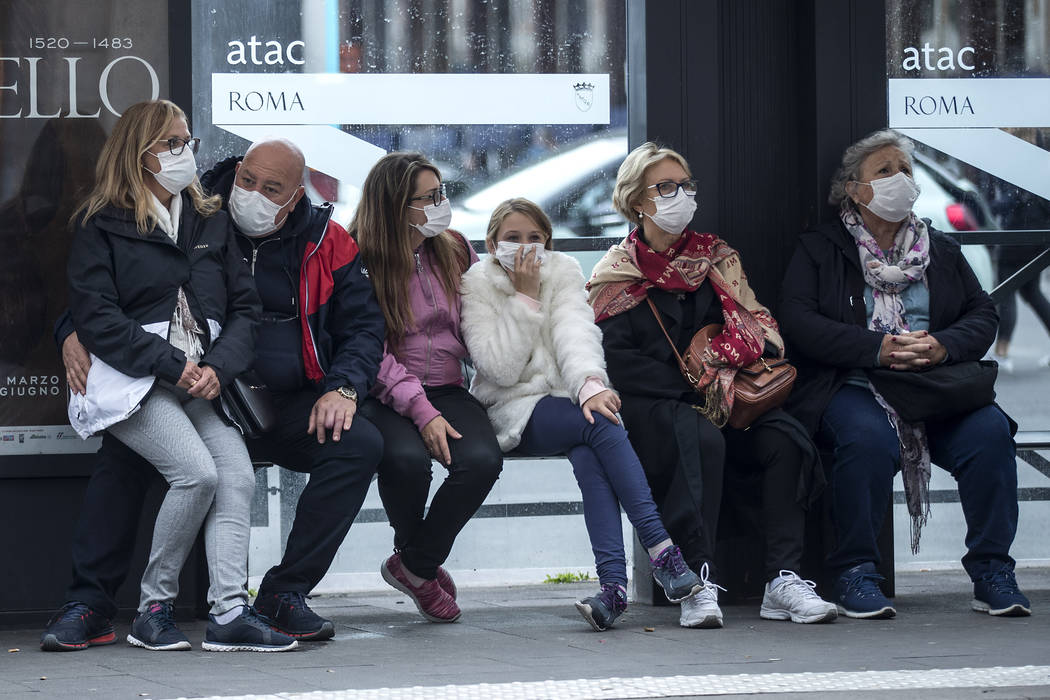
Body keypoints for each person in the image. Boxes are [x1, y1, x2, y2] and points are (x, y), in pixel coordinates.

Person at [42, 136, 386, 650]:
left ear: (296, 196)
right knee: (126, 454)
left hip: (283, 400)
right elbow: (125, 285)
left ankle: (283, 593)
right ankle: (91, 603)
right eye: (248, 179)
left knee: (358, 444)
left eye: (272, 189)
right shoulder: (199, 211)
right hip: (197, 389)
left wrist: (343, 387)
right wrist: (70, 328)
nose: (254, 193)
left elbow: (363, 326)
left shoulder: (325, 239)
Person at [60, 100, 295, 652]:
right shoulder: (101, 224)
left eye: (186, 140)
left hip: (199, 382)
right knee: (197, 474)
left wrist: (217, 367)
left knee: (235, 474)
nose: (185, 151)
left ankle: (230, 611)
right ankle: (154, 609)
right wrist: (173, 365)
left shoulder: (209, 217)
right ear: (139, 154)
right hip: (133, 381)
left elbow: (245, 310)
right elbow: (97, 317)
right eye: (172, 143)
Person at [778, 128, 1031, 619]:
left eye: (906, 170)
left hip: (937, 384)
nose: (901, 180)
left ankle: (992, 572)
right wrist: (879, 349)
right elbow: (800, 322)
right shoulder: (820, 249)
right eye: (884, 171)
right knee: (867, 442)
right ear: (854, 189)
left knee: (991, 435)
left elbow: (982, 314)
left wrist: (941, 346)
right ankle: (856, 572)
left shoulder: (940, 247)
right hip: (858, 383)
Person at [588, 142, 835, 629]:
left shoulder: (718, 258)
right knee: (698, 440)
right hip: (660, 403)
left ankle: (782, 580)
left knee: (786, 439)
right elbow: (617, 359)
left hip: (733, 397)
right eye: (666, 187)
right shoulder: (614, 274)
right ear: (638, 200)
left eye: (685, 185)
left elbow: (759, 321)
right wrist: (696, 385)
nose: (680, 195)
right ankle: (698, 583)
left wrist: (735, 358)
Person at [460, 197, 703, 632]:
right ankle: (662, 550)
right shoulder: (476, 283)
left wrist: (590, 383)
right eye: (513, 238)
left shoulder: (564, 271)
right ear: (493, 242)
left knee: (593, 444)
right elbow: (499, 368)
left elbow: (576, 332)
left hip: (568, 401)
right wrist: (525, 298)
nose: (526, 247)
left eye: (535, 238)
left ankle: (612, 590)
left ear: (549, 241)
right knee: (598, 427)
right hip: (509, 407)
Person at [354, 152, 503, 624]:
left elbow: (481, 323)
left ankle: (414, 564)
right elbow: (368, 351)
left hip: (447, 387)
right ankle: (421, 563)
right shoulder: (361, 256)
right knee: (407, 460)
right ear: (397, 205)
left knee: (481, 461)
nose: (442, 203)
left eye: (442, 193)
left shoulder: (454, 247)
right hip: (384, 393)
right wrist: (421, 410)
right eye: (430, 197)